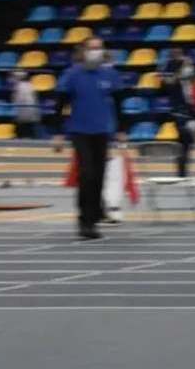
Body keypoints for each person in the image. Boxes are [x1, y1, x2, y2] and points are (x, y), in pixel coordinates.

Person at [52, 38, 124, 239]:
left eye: (99, 48)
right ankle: (84, 219)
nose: (96, 52)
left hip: (102, 130)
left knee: (99, 175)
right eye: (92, 48)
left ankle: (93, 218)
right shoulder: (72, 75)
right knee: (87, 173)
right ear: (83, 51)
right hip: (79, 130)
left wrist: (121, 129)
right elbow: (60, 105)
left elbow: (119, 103)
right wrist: (58, 133)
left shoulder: (110, 74)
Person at [160, 51, 195, 177]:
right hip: (179, 110)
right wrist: (180, 71)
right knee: (184, 139)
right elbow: (168, 83)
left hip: (190, 110)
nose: (189, 66)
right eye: (186, 64)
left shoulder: (189, 79)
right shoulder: (172, 74)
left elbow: (192, 80)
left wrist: (188, 67)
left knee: (188, 141)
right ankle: (181, 171)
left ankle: (182, 170)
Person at [11, 72, 40, 139]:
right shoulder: (30, 85)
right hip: (29, 114)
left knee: (24, 132)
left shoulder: (19, 86)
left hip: (25, 114)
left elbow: (18, 101)